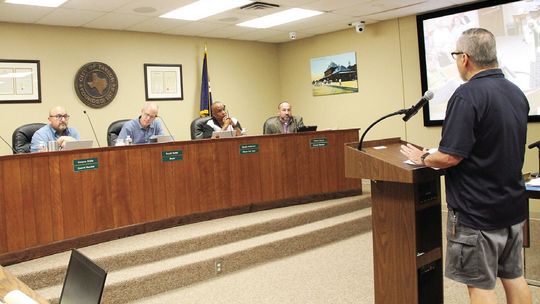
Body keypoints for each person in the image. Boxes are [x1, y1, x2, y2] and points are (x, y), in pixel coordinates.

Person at [400, 28, 531, 304]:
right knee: (514, 277)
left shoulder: (467, 94)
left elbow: (449, 157)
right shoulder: (516, 92)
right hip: (511, 207)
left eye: (456, 55)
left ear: (465, 58)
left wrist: (423, 157)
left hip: (477, 212)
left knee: (480, 286)